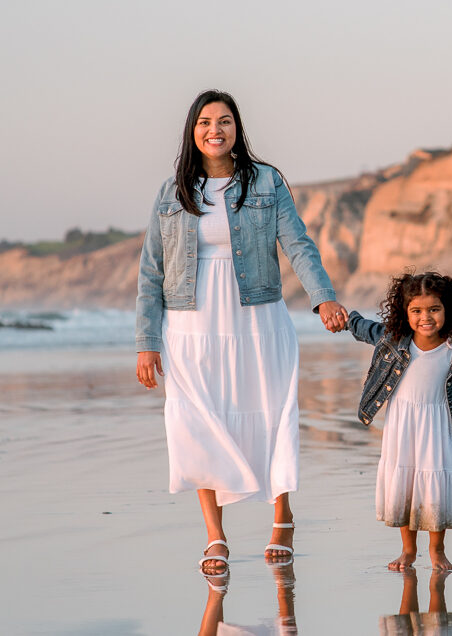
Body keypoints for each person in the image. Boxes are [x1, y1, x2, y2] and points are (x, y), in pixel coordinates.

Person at [135, 89, 348, 575]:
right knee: (195, 421)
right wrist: (146, 341)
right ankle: (215, 535)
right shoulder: (172, 192)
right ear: (193, 131)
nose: (216, 129)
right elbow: (151, 271)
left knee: (272, 413)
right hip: (189, 325)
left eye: (225, 120)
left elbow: (297, 243)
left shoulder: (266, 182)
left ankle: (282, 519)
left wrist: (323, 296)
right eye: (206, 121)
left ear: (237, 129)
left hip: (255, 317)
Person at [347, 272, 452, 570]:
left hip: (439, 425)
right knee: (406, 482)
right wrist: (345, 317)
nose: (425, 317)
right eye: (416, 311)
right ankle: (408, 550)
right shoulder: (394, 340)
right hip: (403, 426)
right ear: (405, 313)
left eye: (434, 309)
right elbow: (365, 329)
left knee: (434, 487)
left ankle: (436, 551)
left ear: (447, 311)